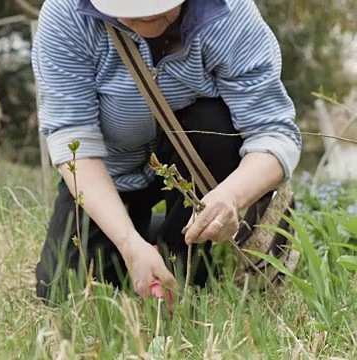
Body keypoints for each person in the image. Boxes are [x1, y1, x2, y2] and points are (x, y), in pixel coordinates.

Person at [30, 0, 303, 305]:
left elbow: (274, 133)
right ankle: (145, 239)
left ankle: (188, 258)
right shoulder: (66, 14)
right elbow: (74, 141)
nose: (147, 14)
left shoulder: (229, 12)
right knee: (60, 290)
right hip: (110, 172)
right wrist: (129, 243)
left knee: (212, 123)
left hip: (196, 166)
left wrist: (231, 197)